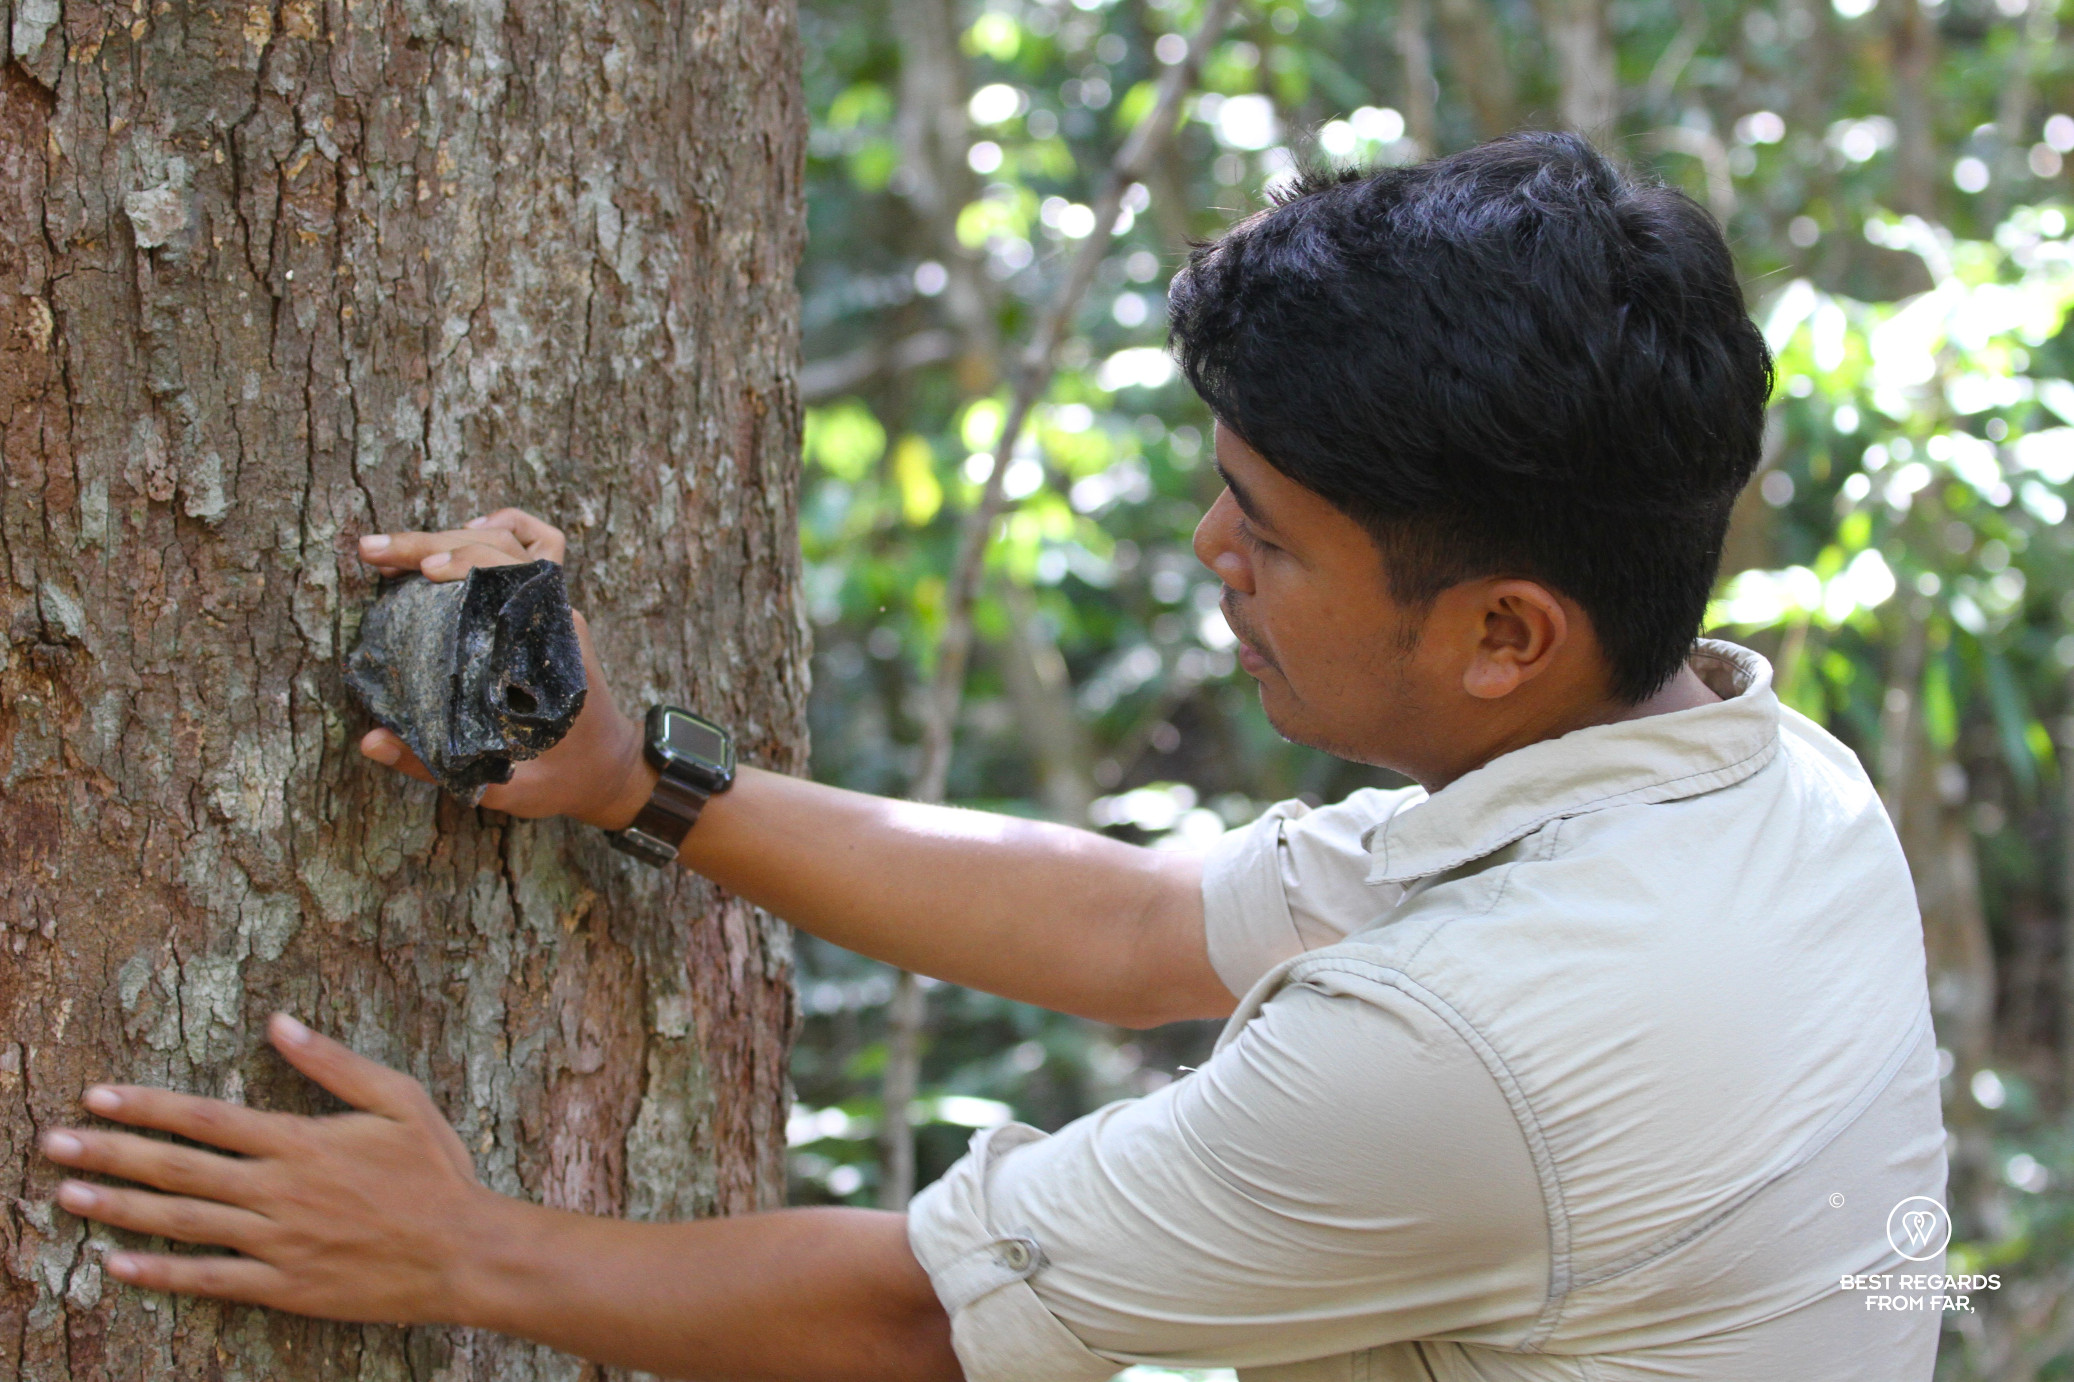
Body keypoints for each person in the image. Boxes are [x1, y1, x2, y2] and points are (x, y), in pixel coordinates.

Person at [39, 133, 1946, 1381]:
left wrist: (462, 1250)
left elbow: (927, 1311)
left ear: (1501, 632)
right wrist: (643, 777)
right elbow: (1135, 925)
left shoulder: (1471, 1049)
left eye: (1266, 533)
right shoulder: (1752, 783)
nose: (1214, 559)